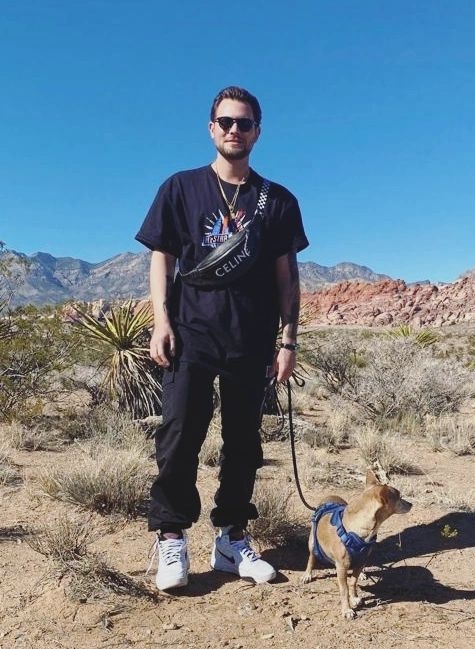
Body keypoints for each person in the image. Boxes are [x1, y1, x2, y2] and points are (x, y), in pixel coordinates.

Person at [135, 86, 309, 590]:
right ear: (211, 128)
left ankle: (232, 538)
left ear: (258, 131)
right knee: (178, 435)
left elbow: (287, 277)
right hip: (190, 333)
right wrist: (161, 320)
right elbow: (161, 257)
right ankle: (171, 537)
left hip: (251, 339)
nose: (235, 130)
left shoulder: (277, 200)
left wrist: (289, 341)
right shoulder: (180, 188)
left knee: (243, 443)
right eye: (226, 121)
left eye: (245, 123)